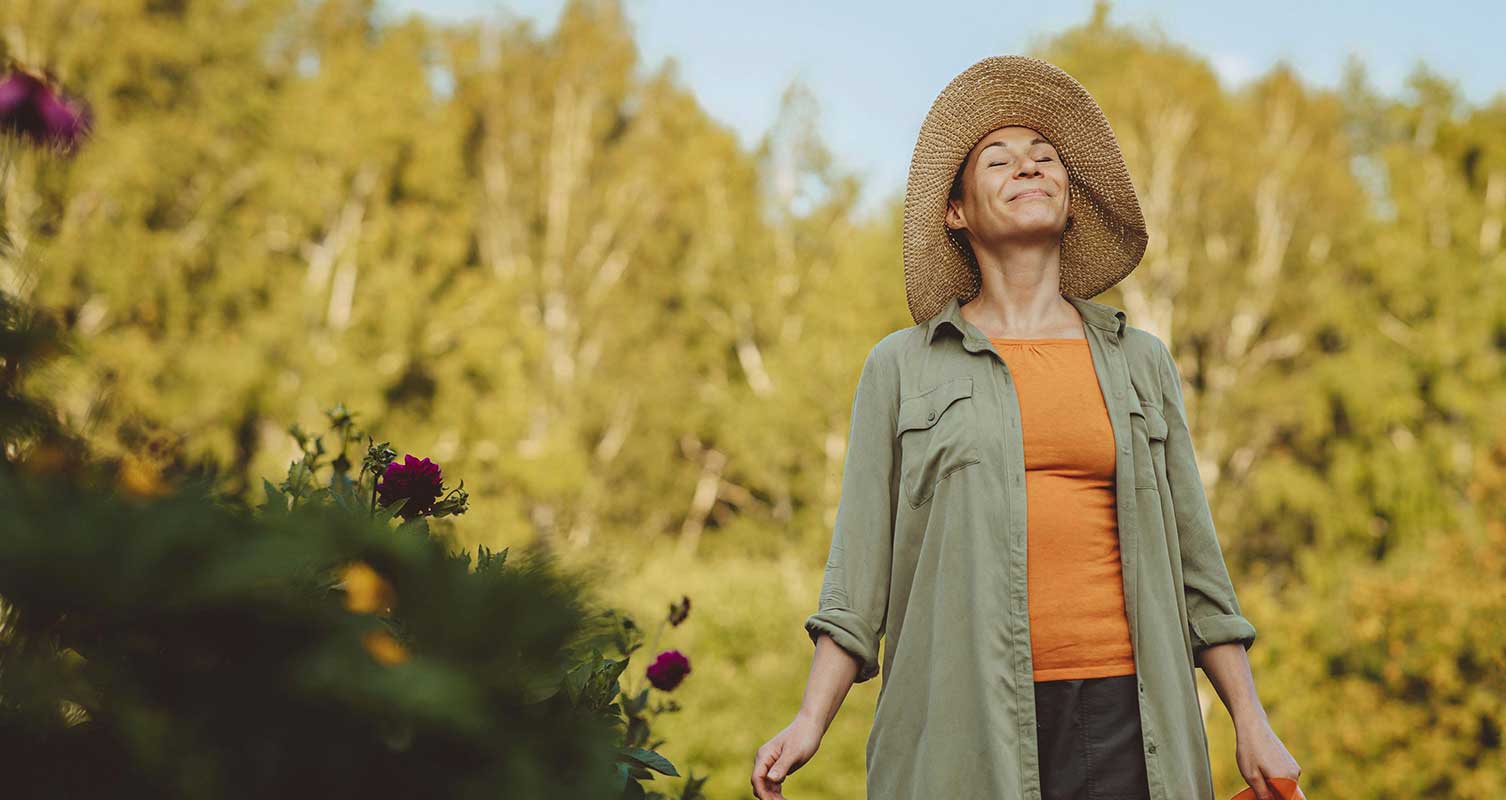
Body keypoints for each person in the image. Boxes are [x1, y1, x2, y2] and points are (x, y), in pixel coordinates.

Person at [750, 55, 1301, 800]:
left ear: (1072, 205)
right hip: (961, 720)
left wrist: (1251, 720)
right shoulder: (902, 368)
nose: (1029, 168)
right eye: (999, 160)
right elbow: (856, 579)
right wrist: (809, 721)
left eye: (1047, 160)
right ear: (956, 211)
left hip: (1130, 720)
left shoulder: (1141, 362)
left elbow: (1199, 571)